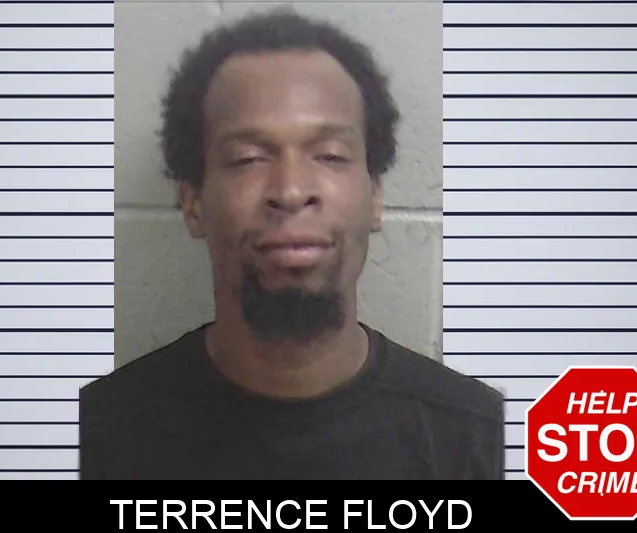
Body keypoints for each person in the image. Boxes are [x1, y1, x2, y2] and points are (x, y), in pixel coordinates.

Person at [80, 8, 505, 480]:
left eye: (330, 155)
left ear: (375, 196)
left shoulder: (485, 446)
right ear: (193, 201)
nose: (291, 190)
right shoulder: (91, 444)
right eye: (247, 159)